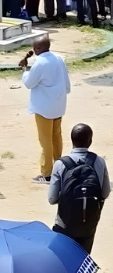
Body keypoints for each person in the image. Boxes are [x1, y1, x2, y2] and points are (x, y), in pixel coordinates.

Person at [47, 123, 111, 253]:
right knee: (82, 261)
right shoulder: (99, 161)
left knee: (62, 260)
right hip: (89, 224)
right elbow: (105, 193)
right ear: (90, 141)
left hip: (65, 223)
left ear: (71, 140)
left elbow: (52, 199)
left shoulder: (60, 164)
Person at [20, 36, 70, 183]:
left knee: (45, 141)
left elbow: (29, 83)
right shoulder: (59, 58)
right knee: (56, 137)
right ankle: (59, 169)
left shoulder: (39, 63)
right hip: (59, 104)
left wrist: (24, 70)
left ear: (37, 49)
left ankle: (46, 174)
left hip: (44, 108)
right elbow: (66, 82)